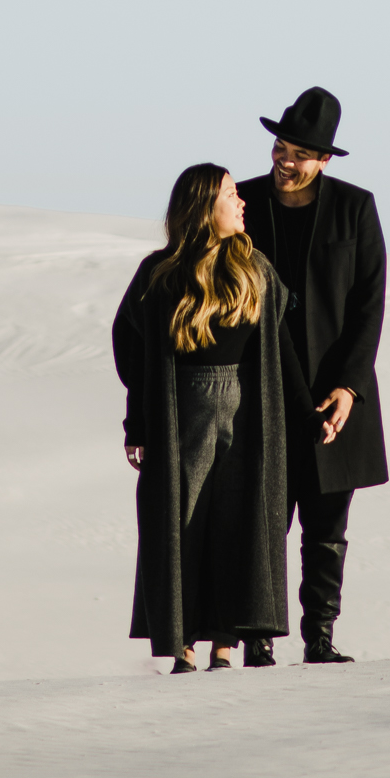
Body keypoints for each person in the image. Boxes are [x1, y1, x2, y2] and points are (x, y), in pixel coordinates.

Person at [111, 162, 311, 673]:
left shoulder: (256, 269)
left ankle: (226, 645)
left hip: (248, 415)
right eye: (230, 194)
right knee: (182, 525)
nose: (241, 202)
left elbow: (282, 349)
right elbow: (132, 353)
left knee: (237, 523)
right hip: (181, 415)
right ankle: (181, 647)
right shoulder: (159, 274)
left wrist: (307, 417)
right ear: (204, 208)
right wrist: (137, 425)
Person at [236, 87, 388, 665]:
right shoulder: (244, 202)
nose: (285, 161)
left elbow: (369, 305)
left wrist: (350, 387)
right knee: (262, 524)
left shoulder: (355, 207)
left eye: (299, 154)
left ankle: (319, 639)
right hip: (263, 393)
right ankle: (257, 639)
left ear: (324, 160)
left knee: (326, 531)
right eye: (280, 147)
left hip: (333, 397)